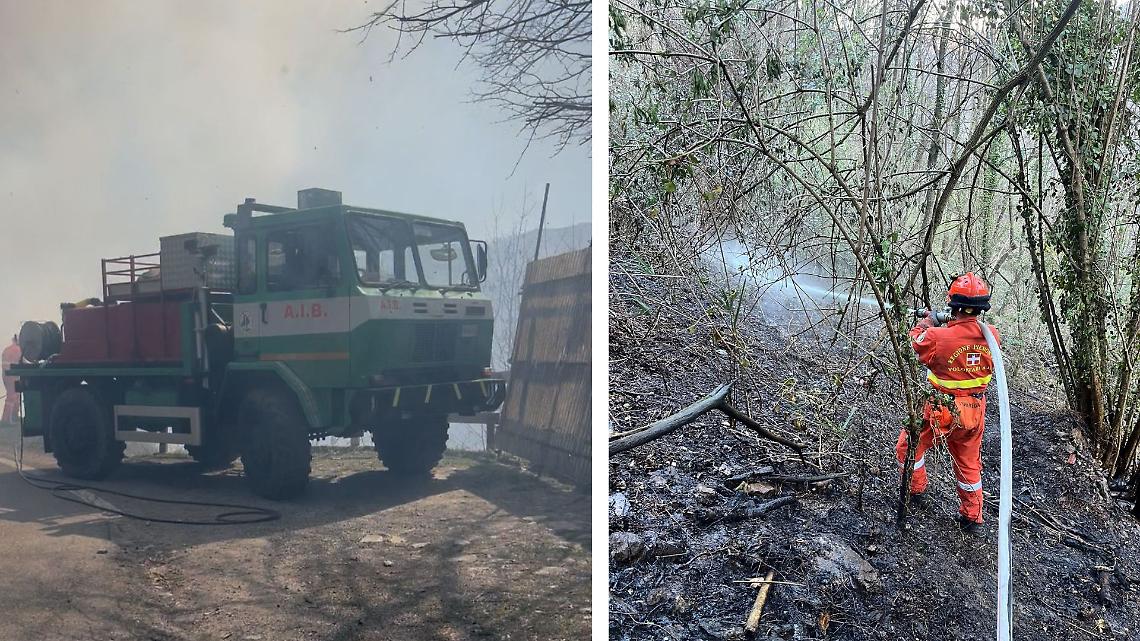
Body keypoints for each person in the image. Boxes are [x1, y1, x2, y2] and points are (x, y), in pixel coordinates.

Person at [896, 272, 999, 535]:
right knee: (968, 463)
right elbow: (967, 336)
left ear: (952, 304)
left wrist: (927, 322)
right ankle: (972, 517)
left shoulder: (937, 337)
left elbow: (914, 343)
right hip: (974, 413)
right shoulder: (992, 338)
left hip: (940, 408)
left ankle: (915, 490)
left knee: (909, 446)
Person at [2, 335, 21, 425]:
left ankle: (13, 417)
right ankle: (7, 419)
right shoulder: (18, 350)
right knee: (12, 397)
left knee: (14, 396)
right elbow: (23, 362)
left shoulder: (7, 349)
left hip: (6, 375)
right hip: (13, 376)